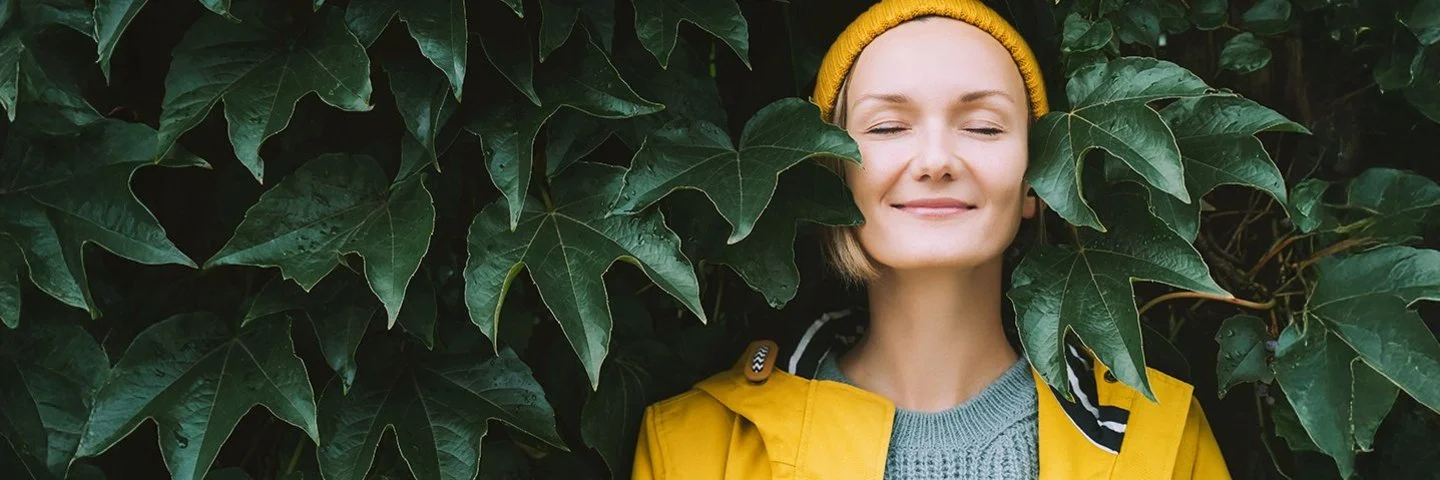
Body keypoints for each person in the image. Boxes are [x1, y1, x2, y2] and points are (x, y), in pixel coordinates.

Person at [630, 0, 1230, 478]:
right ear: (833, 176)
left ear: (1034, 183)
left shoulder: (1163, 441)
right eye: (889, 126)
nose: (937, 160)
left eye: (984, 126)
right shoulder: (695, 449)